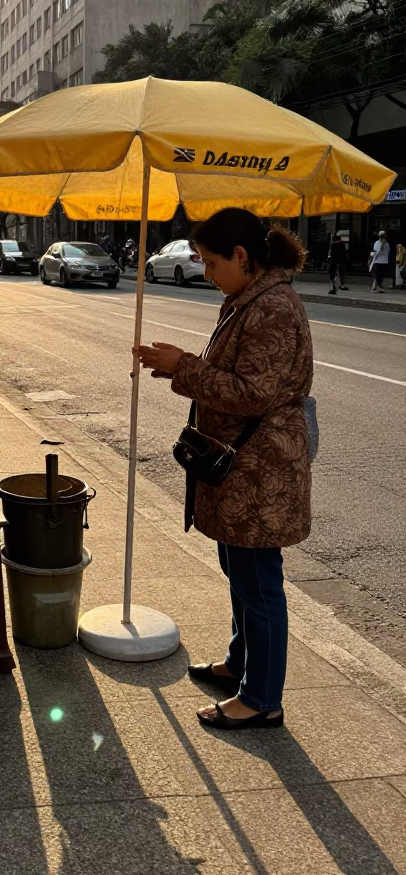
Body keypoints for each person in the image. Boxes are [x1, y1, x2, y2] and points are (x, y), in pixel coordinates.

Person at [136, 208, 312, 732]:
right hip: (240, 469)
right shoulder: (250, 299)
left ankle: (261, 698)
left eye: (211, 263)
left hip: (260, 472)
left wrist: (182, 366)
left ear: (241, 256)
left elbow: (253, 392)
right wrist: (183, 367)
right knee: (240, 572)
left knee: (258, 583)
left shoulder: (273, 307)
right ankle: (240, 664)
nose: (206, 274)